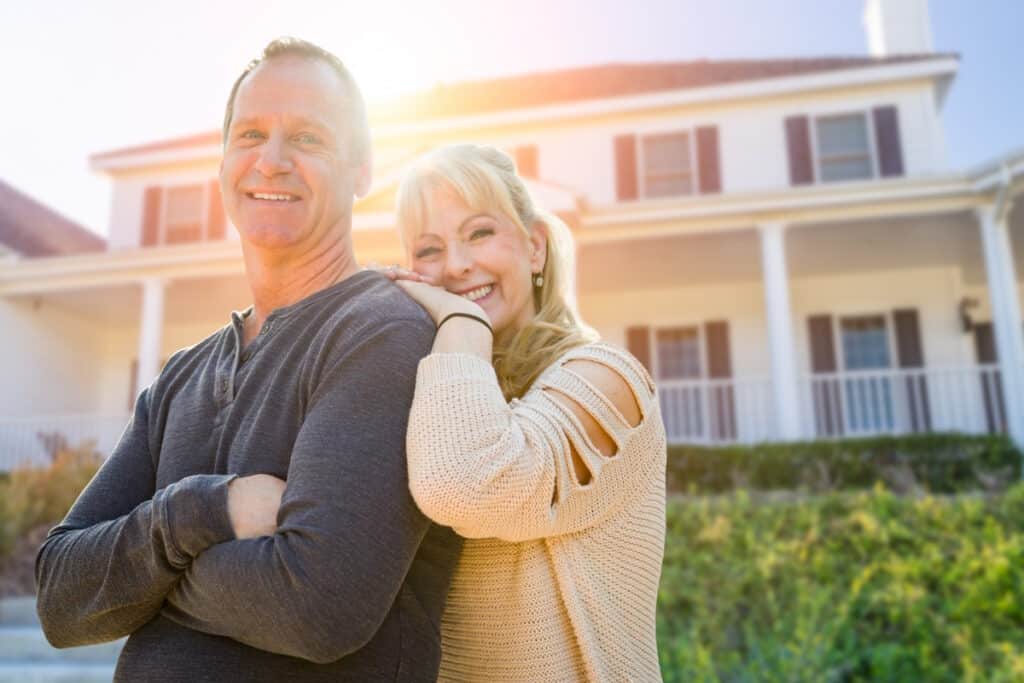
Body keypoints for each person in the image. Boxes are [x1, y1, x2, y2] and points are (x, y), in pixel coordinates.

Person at [35, 37, 461, 681]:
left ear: (363, 169)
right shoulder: (181, 377)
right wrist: (207, 512)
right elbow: (60, 598)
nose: (272, 160)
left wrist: (138, 588)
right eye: (250, 134)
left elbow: (317, 605)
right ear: (223, 161)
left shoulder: (380, 335)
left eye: (309, 138)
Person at [383, 144, 667, 681]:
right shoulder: (432, 395)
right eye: (428, 249)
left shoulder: (607, 380)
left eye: (479, 233)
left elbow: (465, 484)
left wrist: (460, 323)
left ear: (534, 247)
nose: (456, 265)